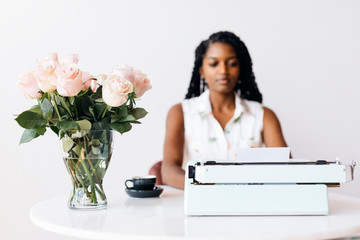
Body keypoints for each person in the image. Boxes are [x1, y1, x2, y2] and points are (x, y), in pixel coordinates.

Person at [161, 31, 289, 189]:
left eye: (232, 63)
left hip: (250, 202)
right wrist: (211, 187)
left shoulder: (263, 115)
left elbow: (286, 169)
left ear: (240, 68)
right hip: (200, 202)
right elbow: (168, 171)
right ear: (201, 70)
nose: (223, 71)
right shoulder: (181, 112)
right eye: (214, 63)